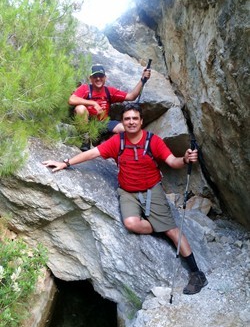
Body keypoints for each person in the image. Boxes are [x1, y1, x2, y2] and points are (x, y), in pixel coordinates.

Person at [43, 103, 208, 295]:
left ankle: (197, 273)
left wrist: (185, 159)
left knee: (172, 231)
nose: (131, 122)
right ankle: (158, 225)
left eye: (134, 119)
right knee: (131, 224)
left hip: (151, 190)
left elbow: (173, 161)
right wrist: (65, 163)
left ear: (141, 121)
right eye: (127, 119)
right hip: (127, 191)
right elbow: (93, 153)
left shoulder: (152, 141)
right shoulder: (118, 142)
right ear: (122, 122)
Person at [69, 64, 151, 151]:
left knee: (124, 129)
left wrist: (142, 80)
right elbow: (71, 100)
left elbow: (131, 96)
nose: (98, 79)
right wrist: (93, 103)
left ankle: (109, 145)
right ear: (91, 78)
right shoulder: (85, 88)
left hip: (103, 123)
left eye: (101, 76)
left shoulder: (109, 91)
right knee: (80, 108)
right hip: (87, 123)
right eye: (95, 76)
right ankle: (85, 139)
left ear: (105, 78)